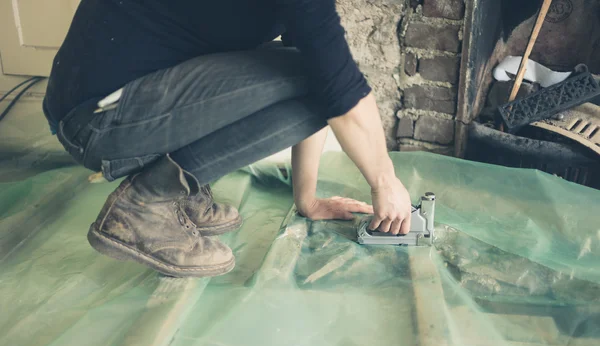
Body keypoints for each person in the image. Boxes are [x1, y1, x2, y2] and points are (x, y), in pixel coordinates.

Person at [43, 0, 412, 278]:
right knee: (319, 77)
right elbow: (337, 89)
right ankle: (145, 203)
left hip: (107, 101)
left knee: (312, 69)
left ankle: (178, 186)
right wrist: (385, 180)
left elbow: (321, 67)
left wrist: (307, 199)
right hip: (95, 122)